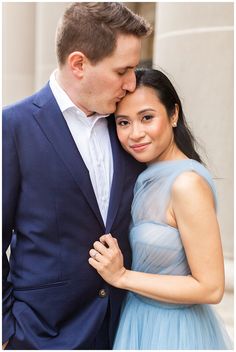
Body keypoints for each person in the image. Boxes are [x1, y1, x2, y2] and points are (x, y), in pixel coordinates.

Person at [2, 3, 151, 349]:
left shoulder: (127, 125)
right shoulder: (13, 128)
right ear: (79, 64)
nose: (132, 83)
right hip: (41, 336)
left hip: (124, 331)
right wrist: (8, 330)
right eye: (122, 71)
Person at [88, 68, 233, 349]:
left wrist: (122, 276)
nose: (135, 133)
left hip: (174, 332)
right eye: (123, 122)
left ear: (174, 114)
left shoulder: (186, 184)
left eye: (147, 118)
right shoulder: (142, 176)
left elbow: (212, 287)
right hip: (137, 320)